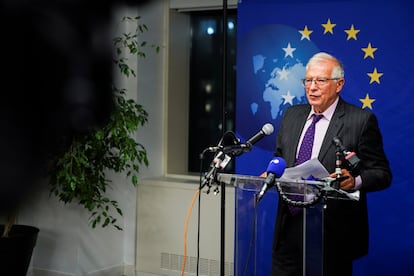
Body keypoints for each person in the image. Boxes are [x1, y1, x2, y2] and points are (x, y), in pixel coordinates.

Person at [270, 52, 392, 276]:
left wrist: (354, 181)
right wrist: (269, 174)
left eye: (320, 80)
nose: (312, 87)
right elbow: (280, 159)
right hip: (289, 229)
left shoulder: (360, 121)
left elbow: (382, 173)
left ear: (339, 84)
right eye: (308, 80)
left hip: (331, 233)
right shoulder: (292, 115)